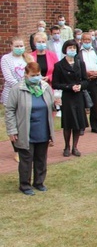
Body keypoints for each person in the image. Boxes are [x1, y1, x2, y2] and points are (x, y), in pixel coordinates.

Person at [5, 62, 56, 195]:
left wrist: (56, 105)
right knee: (26, 160)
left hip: (42, 129)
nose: (36, 77)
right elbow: (9, 110)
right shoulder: (17, 89)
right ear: (26, 75)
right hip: (25, 130)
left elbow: (50, 106)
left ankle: (39, 182)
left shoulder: (45, 87)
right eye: (33, 75)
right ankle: (25, 185)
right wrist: (12, 130)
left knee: (41, 158)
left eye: (38, 75)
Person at [51, 40, 88, 157]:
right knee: (68, 123)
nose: (72, 50)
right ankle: (66, 146)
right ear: (65, 49)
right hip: (67, 96)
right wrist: (69, 87)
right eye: (70, 48)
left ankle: (75, 147)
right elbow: (55, 84)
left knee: (78, 122)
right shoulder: (59, 65)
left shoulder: (80, 63)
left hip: (78, 96)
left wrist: (80, 86)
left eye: (74, 48)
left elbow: (86, 80)